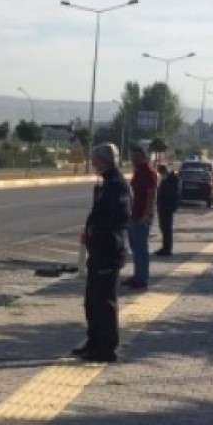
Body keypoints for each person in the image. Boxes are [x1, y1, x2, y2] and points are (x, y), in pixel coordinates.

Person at [73, 144, 132, 363]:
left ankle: (106, 348)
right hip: (97, 249)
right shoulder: (106, 183)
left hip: (108, 249)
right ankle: (93, 341)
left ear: (105, 159)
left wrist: (96, 230)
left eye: (95, 158)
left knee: (105, 302)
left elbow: (121, 216)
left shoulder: (118, 185)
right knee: (92, 300)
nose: (93, 162)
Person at [123, 146, 159, 289]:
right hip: (134, 214)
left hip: (143, 216)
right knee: (135, 248)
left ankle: (142, 279)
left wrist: (146, 215)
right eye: (133, 157)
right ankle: (137, 275)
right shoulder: (138, 172)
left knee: (141, 249)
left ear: (144, 157)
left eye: (137, 157)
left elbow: (151, 195)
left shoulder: (149, 173)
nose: (134, 159)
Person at [154, 163, 180, 256]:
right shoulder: (167, 179)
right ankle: (165, 247)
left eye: (159, 172)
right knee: (164, 228)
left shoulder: (171, 179)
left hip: (167, 207)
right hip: (164, 207)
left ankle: (167, 249)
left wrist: (170, 206)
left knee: (166, 228)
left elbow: (172, 194)